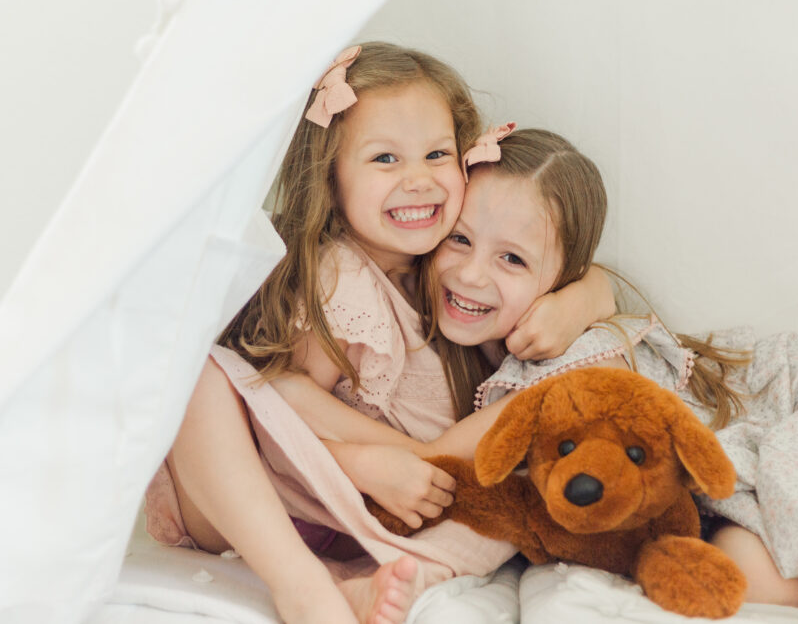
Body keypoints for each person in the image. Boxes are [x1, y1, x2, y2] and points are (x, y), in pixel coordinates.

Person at [418, 126, 798, 624]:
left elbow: (428, 467)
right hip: (738, 492)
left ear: (565, 275)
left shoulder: (574, 366)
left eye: (512, 258)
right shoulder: (529, 336)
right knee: (747, 580)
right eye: (459, 239)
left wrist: (333, 436)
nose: (470, 274)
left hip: (794, 409)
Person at [144, 44, 614, 624]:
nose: (418, 180)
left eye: (437, 154)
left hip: (364, 517)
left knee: (511, 482)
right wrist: (364, 464)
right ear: (331, 177)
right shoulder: (337, 278)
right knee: (200, 376)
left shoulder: (446, 263)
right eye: (385, 159)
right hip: (257, 501)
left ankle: (354, 586)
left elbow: (570, 267)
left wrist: (586, 297)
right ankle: (303, 589)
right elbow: (283, 414)